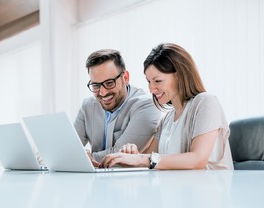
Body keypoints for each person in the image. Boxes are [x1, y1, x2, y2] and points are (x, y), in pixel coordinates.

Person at [101, 43, 233, 170]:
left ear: (179, 76)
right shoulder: (168, 119)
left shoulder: (206, 102)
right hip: (177, 189)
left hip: (209, 190)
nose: (151, 89)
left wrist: (141, 159)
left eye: (158, 81)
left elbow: (197, 160)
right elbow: (149, 157)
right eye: (149, 82)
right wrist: (132, 155)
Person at [74, 49, 161, 166]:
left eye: (109, 83)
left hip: (129, 182)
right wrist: (80, 154)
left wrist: (79, 158)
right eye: (96, 85)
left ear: (125, 78)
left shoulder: (148, 106)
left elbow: (119, 158)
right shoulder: (88, 105)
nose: (103, 92)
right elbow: (69, 147)